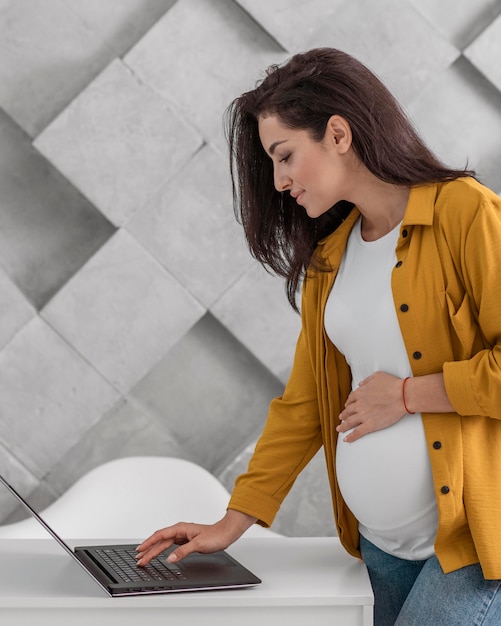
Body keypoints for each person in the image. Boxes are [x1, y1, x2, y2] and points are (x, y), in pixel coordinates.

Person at [135, 48, 501, 625]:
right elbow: (305, 403)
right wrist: (232, 523)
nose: (279, 181)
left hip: (474, 545)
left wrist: (408, 395)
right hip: (384, 550)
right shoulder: (331, 256)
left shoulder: (465, 212)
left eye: (285, 156)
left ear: (337, 133)